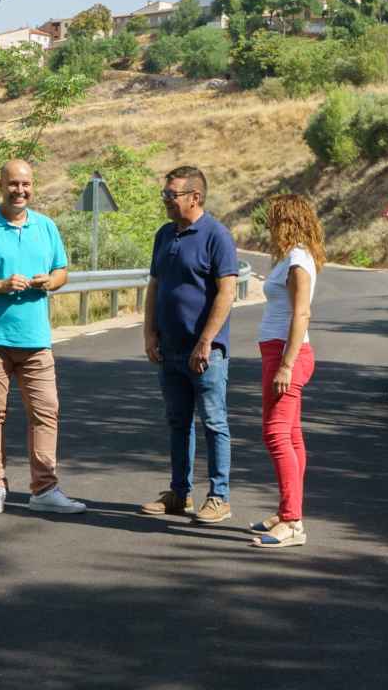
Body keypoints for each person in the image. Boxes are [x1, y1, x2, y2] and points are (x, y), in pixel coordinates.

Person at [0, 159, 86, 515]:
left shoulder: (46, 226)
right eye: (13, 184)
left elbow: (62, 270)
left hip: (36, 340)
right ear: (0, 184)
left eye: (26, 184)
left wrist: (52, 281)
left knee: (46, 413)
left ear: (33, 186)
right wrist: (1, 285)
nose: (20, 190)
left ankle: (45, 489)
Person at [139, 166, 238, 524]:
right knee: (178, 423)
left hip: (205, 352)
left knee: (214, 422)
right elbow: (155, 286)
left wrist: (206, 341)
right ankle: (179, 494)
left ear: (195, 197)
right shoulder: (165, 234)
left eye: (172, 195)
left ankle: (219, 497)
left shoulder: (217, 236)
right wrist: (149, 333)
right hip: (170, 349)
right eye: (165, 194)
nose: (166, 201)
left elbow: (226, 292)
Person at [249, 194, 324, 548]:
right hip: (278, 352)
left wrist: (286, 365)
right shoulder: (293, 257)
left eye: (274, 219)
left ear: (288, 221)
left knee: (275, 434)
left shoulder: (297, 260)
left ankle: (293, 522)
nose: (269, 227)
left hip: (286, 354)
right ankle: (287, 511)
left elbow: (302, 314)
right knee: (291, 435)